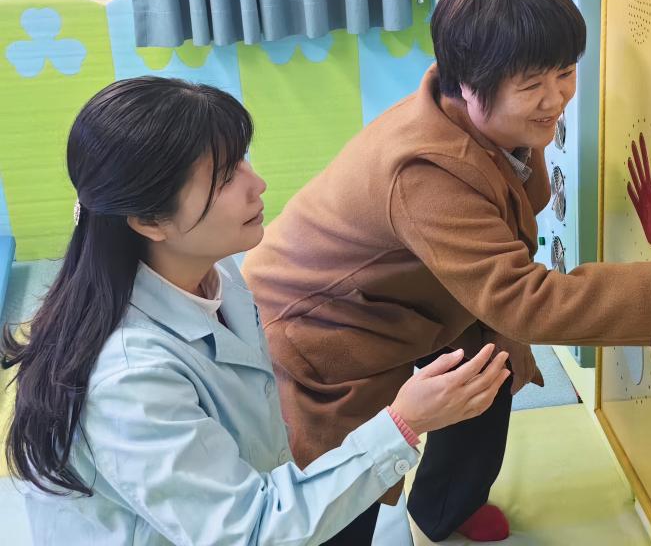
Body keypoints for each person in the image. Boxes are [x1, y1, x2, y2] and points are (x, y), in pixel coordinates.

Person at [243, 0, 651, 544]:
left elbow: (511, 230)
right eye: (531, 85)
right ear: (469, 86)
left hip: (419, 297)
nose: (556, 98)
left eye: (565, 72)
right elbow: (522, 299)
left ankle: (444, 508)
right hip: (324, 324)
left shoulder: (492, 120)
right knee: (347, 487)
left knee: (490, 369)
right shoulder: (427, 171)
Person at [2, 77, 510, 545]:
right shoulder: (130, 381)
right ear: (149, 220)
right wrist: (405, 421)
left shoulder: (215, 272)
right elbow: (247, 531)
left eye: (243, 161)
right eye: (225, 177)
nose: (258, 183)